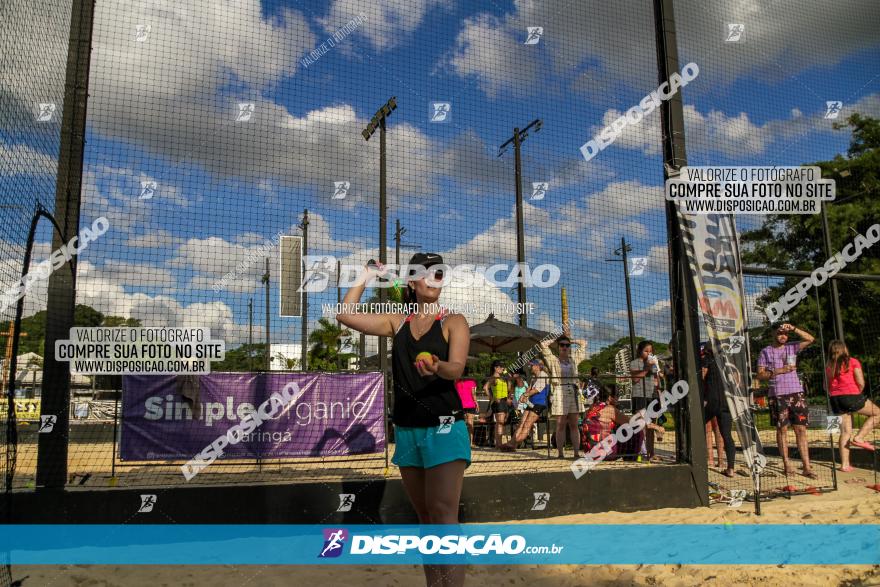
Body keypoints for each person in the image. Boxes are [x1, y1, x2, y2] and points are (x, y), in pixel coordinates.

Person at [336, 252, 469, 587]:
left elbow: (457, 368)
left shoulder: (454, 321)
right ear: (412, 281)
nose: (435, 277)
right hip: (408, 429)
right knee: (425, 518)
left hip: (444, 425)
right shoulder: (398, 321)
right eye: (427, 272)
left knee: (443, 515)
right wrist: (366, 275)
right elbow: (345, 314)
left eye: (439, 272)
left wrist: (438, 367)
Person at [756, 323, 816, 478]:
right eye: (780, 333)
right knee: (782, 430)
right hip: (777, 394)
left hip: (796, 392)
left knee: (801, 430)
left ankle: (807, 467)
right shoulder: (766, 351)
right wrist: (778, 371)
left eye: (785, 333)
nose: (783, 336)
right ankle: (787, 465)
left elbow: (810, 339)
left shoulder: (792, 347)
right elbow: (760, 375)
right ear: (773, 333)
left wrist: (794, 329)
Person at [825, 340, 878, 470]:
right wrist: (856, 395)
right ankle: (860, 438)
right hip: (851, 395)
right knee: (877, 413)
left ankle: (845, 465)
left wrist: (836, 394)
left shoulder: (829, 365)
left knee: (845, 432)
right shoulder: (852, 361)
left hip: (835, 399)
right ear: (844, 349)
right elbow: (861, 382)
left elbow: (825, 386)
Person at [540, 333, 586, 459]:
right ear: (558, 347)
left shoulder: (574, 359)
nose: (565, 347)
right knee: (560, 424)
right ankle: (560, 453)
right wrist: (557, 340)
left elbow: (583, 343)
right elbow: (543, 344)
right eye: (562, 345)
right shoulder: (553, 359)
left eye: (567, 345)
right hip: (559, 390)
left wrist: (572, 340)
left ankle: (576, 452)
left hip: (573, 390)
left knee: (574, 424)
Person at [580, 385, 643, 461]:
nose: (618, 398)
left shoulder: (592, 407)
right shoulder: (610, 409)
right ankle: (631, 458)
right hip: (603, 453)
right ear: (609, 397)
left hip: (589, 452)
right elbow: (632, 423)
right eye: (616, 396)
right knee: (637, 431)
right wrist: (655, 426)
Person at [500, 359, 550, 451]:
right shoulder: (534, 377)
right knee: (521, 423)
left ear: (537, 366)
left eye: (531, 365)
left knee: (527, 425)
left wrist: (524, 395)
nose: (529, 367)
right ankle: (512, 444)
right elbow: (529, 389)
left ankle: (513, 443)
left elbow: (536, 390)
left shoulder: (543, 375)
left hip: (539, 404)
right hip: (531, 403)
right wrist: (523, 397)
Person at [701, 345, 736, 477]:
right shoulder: (728, 360)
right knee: (726, 435)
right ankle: (730, 468)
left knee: (697, 428)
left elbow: (702, 377)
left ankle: (697, 459)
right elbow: (736, 379)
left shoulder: (707, 359)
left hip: (711, 399)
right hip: (726, 400)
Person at [630, 340, 662, 461]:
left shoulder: (653, 363)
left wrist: (658, 373)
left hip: (652, 396)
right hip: (639, 395)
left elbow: (657, 381)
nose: (649, 353)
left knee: (650, 427)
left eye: (651, 351)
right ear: (640, 351)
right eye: (646, 351)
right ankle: (639, 452)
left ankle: (651, 453)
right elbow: (635, 379)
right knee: (642, 424)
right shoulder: (635, 363)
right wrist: (647, 367)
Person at [483, 360, 512, 449]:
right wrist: (493, 398)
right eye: (501, 367)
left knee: (501, 423)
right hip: (498, 402)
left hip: (504, 401)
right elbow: (485, 387)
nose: (503, 368)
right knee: (500, 423)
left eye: (503, 367)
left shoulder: (503, 378)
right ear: (496, 368)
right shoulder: (494, 378)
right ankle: (498, 444)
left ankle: (498, 443)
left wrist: (507, 375)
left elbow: (509, 387)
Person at [455, 366, 478, 444]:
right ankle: (471, 442)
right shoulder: (471, 381)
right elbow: (473, 394)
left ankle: (462, 441)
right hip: (470, 404)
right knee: (470, 423)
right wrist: (476, 402)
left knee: (461, 424)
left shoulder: (456, 381)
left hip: (460, 405)